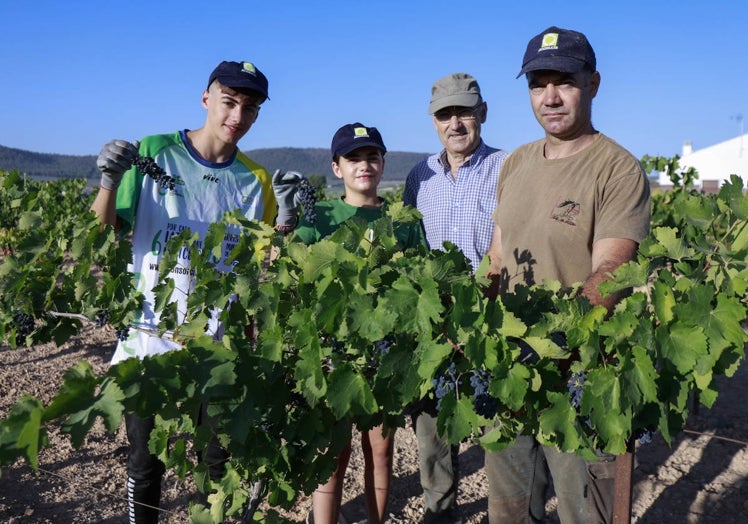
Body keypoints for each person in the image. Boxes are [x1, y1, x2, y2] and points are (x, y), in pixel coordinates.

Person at [90, 60, 303, 523]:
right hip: (148, 343)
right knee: (146, 465)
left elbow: (268, 262)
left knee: (216, 467)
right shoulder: (155, 154)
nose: (236, 116)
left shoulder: (255, 180)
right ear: (206, 98)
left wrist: (285, 222)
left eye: (249, 108)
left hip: (218, 350)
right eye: (229, 102)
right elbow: (101, 230)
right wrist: (108, 180)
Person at [485, 27, 651, 523]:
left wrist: (552, 340)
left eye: (565, 82)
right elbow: (496, 260)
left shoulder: (617, 170)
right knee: (509, 510)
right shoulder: (514, 163)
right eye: (539, 84)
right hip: (509, 368)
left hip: (577, 373)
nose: (550, 97)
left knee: (585, 514)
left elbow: (611, 271)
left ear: (593, 84)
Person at [294, 122, 427, 524]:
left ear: (383, 163)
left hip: (383, 354)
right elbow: (293, 265)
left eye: (371, 156)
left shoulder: (402, 219)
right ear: (337, 168)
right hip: (331, 355)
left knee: (381, 451)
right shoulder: (319, 216)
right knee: (332, 453)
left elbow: (419, 281)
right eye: (353, 158)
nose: (363, 165)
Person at [403, 72, 507, 524]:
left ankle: (511, 512)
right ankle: (438, 513)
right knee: (432, 435)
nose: (456, 122)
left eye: (464, 111)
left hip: (494, 321)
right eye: (446, 114)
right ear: (434, 121)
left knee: (502, 435)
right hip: (435, 327)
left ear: (482, 113)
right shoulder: (418, 175)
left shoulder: (509, 167)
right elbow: (409, 248)